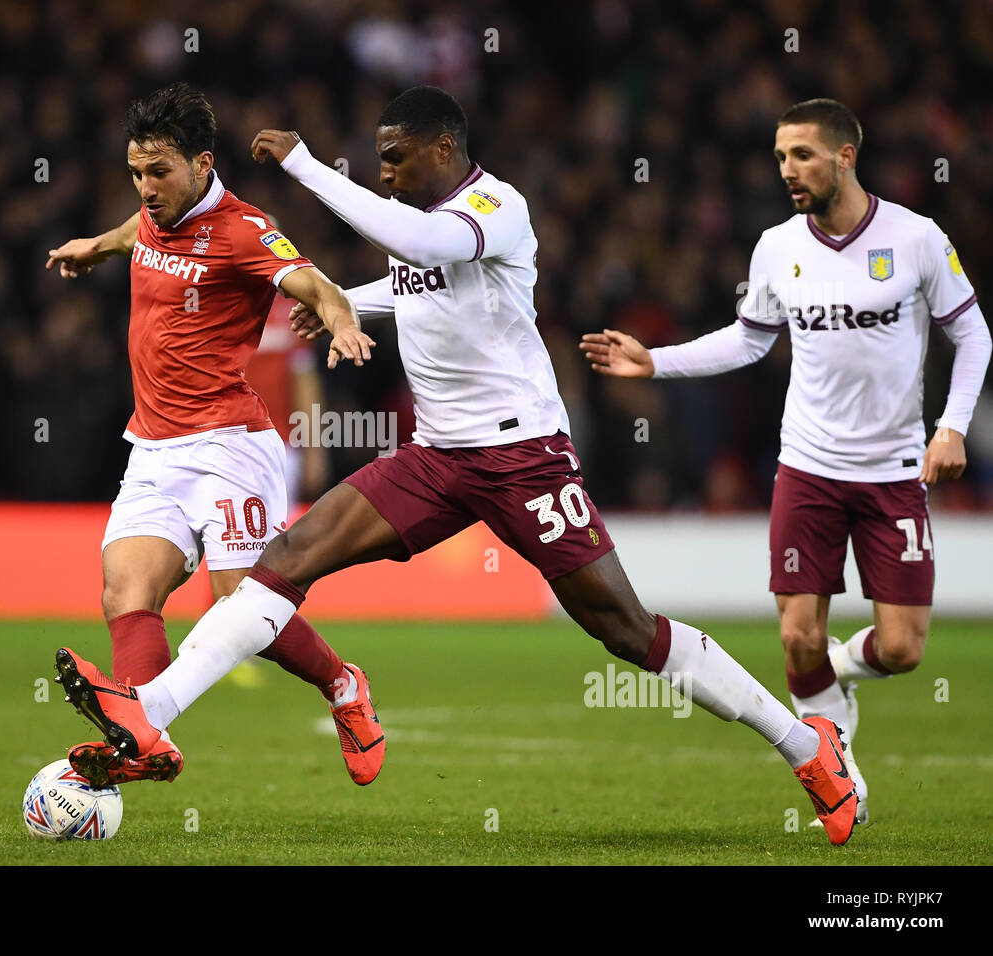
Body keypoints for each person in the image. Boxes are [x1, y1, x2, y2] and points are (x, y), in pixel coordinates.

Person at [56, 86, 861, 844]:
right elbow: (413, 279)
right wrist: (343, 301)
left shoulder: (493, 208)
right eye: (378, 158)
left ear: (444, 147)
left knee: (626, 630)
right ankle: (149, 711)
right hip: (437, 458)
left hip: (523, 459)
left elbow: (423, 246)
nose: (385, 171)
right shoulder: (427, 217)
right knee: (283, 563)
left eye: (396, 156)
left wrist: (306, 166)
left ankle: (805, 744)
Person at [580, 98, 991, 826]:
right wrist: (656, 364)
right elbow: (748, 340)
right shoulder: (776, 246)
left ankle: (843, 670)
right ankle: (833, 763)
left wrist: (951, 428)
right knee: (796, 634)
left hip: (895, 470)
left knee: (902, 650)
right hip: (807, 466)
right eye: (779, 157)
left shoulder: (918, 239)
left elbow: (974, 337)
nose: (787, 170)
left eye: (802, 155)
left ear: (844, 156)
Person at [44, 83, 386, 787]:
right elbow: (134, 234)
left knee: (241, 608)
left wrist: (344, 319)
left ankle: (344, 684)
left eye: (158, 172)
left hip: (231, 444)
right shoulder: (152, 218)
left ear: (202, 164)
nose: (144, 188)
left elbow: (314, 284)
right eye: (135, 173)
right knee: (125, 591)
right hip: (154, 446)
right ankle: (143, 737)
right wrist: (94, 248)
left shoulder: (244, 229)